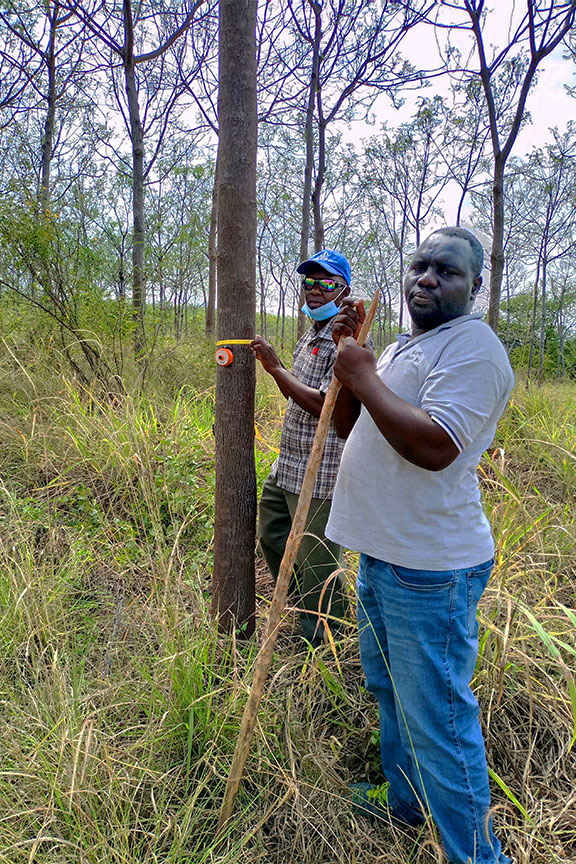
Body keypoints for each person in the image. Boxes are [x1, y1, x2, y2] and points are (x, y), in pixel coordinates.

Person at [325, 228, 514, 864]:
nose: (427, 278)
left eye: (448, 272)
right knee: (390, 691)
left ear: (476, 287)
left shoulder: (475, 349)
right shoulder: (416, 345)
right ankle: (405, 802)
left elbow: (435, 447)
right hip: (384, 555)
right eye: (420, 266)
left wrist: (364, 373)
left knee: (439, 723)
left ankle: (478, 856)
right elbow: (357, 423)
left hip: (430, 569)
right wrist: (353, 367)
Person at [250, 249, 352, 647]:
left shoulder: (348, 340)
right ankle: (300, 607)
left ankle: (326, 644)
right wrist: (278, 370)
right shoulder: (311, 333)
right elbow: (297, 395)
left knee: (318, 561)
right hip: (289, 461)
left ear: (343, 292)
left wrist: (276, 368)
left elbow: (325, 402)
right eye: (309, 282)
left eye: (325, 283)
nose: (314, 291)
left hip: (322, 470)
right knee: (272, 533)